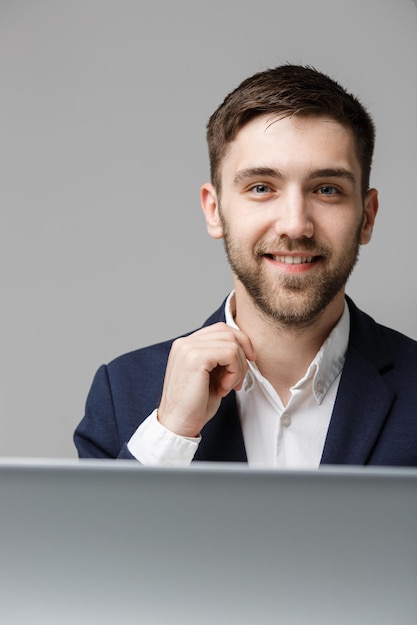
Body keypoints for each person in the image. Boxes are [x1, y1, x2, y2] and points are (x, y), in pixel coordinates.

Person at [74, 64, 417, 467]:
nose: (295, 224)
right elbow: (104, 533)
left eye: (327, 189)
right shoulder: (123, 394)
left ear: (367, 216)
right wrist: (170, 433)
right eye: (261, 188)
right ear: (214, 210)